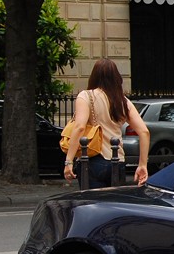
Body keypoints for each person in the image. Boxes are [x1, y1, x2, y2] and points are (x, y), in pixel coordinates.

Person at [64, 57, 150, 187]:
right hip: (118, 161)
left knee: (92, 199)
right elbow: (144, 132)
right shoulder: (123, 101)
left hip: (93, 160)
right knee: (113, 200)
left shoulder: (86, 96)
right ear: (116, 78)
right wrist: (142, 164)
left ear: (94, 76)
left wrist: (69, 161)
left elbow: (79, 127)